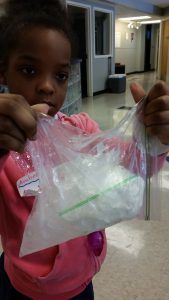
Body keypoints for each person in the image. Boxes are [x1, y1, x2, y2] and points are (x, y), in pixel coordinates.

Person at [0, 0, 169, 299]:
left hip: (80, 280)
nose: (48, 87)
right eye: (29, 70)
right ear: (3, 73)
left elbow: (128, 163)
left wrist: (152, 139)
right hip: (23, 286)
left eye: (61, 75)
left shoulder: (81, 130)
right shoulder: (4, 149)